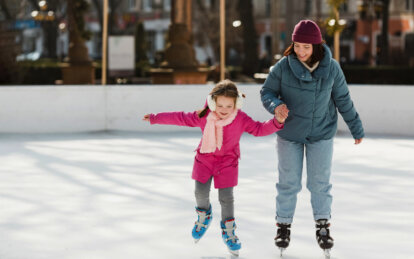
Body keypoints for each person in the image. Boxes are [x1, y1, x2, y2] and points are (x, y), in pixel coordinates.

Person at [143, 80, 284, 256]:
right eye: (220, 105)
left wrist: (277, 122)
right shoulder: (204, 116)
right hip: (205, 160)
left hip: (227, 163)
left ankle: (229, 231)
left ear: (236, 104)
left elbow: (258, 129)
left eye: (229, 105)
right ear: (212, 103)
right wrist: (156, 118)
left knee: (227, 198)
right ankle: (204, 216)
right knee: (200, 193)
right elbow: (180, 118)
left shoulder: (240, 118)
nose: (224, 109)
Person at [260, 20, 364, 256]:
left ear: (316, 46)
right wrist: (275, 106)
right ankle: (283, 225)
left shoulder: (332, 68)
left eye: (306, 47)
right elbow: (266, 92)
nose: (301, 51)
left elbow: (343, 100)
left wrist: (355, 127)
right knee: (288, 182)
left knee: (319, 183)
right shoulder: (283, 67)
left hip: (321, 132)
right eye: (297, 46)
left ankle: (323, 225)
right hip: (290, 133)